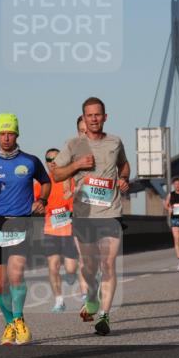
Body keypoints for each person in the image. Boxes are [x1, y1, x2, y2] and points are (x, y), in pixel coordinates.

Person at [51, 97, 130, 336]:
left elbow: (124, 165)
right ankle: (92, 298)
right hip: (84, 215)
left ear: (105, 117)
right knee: (89, 267)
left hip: (110, 212)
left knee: (108, 264)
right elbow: (56, 174)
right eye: (89, 115)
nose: (94, 119)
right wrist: (77, 166)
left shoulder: (115, 141)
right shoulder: (74, 145)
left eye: (98, 115)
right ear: (83, 118)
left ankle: (104, 316)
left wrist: (125, 179)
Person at [0, 114, 49, 345]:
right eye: (2, 133)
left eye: (10, 133)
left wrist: (41, 200)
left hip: (21, 220)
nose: (6, 137)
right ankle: (9, 324)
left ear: (17, 134)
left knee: (16, 274)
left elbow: (45, 182)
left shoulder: (30, 161)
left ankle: (19, 319)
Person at [34, 148, 78, 312]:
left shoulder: (71, 180)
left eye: (56, 158)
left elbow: (80, 204)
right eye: (49, 159)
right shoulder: (41, 183)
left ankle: (72, 276)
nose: (52, 162)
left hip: (68, 230)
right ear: (45, 162)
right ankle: (59, 301)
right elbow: (32, 202)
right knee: (53, 266)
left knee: (71, 269)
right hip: (50, 230)